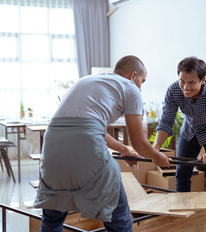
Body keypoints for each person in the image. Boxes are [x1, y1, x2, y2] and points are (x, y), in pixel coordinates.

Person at [34, 55, 171, 232]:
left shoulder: (87, 80)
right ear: (133, 75)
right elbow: (139, 143)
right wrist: (156, 156)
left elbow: (90, 127)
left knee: (52, 219)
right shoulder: (131, 88)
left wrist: (123, 149)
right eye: (142, 81)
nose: (141, 88)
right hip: (85, 149)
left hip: (52, 147)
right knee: (120, 222)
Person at [153, 56, 206, 232]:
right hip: (190, 131)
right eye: (182, 81)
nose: (185, 87)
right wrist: (155, 150)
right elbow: (166, 122)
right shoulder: (174, 90)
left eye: (191, 82)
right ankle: (184, 223)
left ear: (203, 80)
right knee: (181, 175)